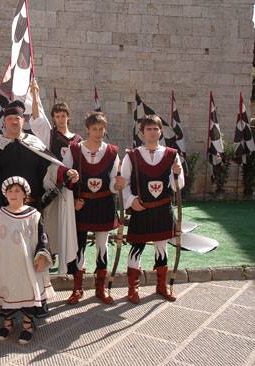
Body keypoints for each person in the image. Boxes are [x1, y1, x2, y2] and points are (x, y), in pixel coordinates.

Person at [0, 100, 79, 275]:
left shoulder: (34, 143)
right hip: (1, 211)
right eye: (10, 118)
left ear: (23, 121)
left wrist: (66, 174)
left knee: (31, 252)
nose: (14, 122)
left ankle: (33, 293)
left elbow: (50, 169)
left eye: (18, 118)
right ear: (4, 122)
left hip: (31, 210)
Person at [0, 176, 54, 345]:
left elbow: (43, 238)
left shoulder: (34, 215)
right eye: (10, 191)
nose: (13, 194)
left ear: (25, 194)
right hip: (3, 264)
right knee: (6, 290)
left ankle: (28, 325)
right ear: (5, 194)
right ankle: (7, 324)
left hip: (26, 265)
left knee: (26, 291)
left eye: (17, 191)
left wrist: (42, 256)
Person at [119, 115, 184, 304]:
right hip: (141, 209)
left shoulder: (171, 154)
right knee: (136, 248)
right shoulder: (132, 155)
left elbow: (176, 185)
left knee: (161, 248)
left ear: (160, 131)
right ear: (141, 132)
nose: (152, 132)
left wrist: (177, 173)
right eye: (148, 129)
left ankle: (161, 286)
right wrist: (131, 201)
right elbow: (125, 182)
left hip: (162, 209)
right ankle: (133, 288)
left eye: (156, 129)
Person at [65, 112, 120, 305]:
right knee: (79, 247)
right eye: (94, 129)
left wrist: (118, 185)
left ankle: (100, 289)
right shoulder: (73, 150)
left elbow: (114, 183)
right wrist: (73, 200)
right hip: (82, 206)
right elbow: (65, 178)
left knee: (102, 246)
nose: (98, 133)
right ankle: (77, 289)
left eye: (101, 129)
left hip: (104, 204)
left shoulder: (112, 152)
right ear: (87, 129)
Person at [29, 79, 82, 163]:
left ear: (68, 117)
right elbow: (37, 118)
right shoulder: (49, 135)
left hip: (74, 175)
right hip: (55, 174)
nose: (61, 119)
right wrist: (35, 93)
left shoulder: (78, 139)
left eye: (63, 116)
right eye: (57, 116)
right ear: (53, 118)